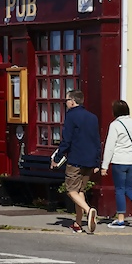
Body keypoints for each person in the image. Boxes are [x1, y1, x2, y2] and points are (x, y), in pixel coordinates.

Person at [51, 89, 101, 233]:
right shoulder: (93, 117)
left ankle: (88, 210)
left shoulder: (71, 116)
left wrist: (57, 157)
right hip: (90, 159)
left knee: (71, 190)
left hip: (76, 158)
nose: (66, 103)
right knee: (80, 191)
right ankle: (78, 223)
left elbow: (66, 140)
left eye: (66, 100)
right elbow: (97, 140)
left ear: (73, 101)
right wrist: (97, 161)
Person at [100, 99, 132, 228]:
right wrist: (131, 146)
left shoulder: (115, 125)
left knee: (120, 190)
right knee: (129, 188)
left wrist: (104, 166)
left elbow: (110, 146)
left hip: (119, 161)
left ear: (115, 111)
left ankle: (120, 219)